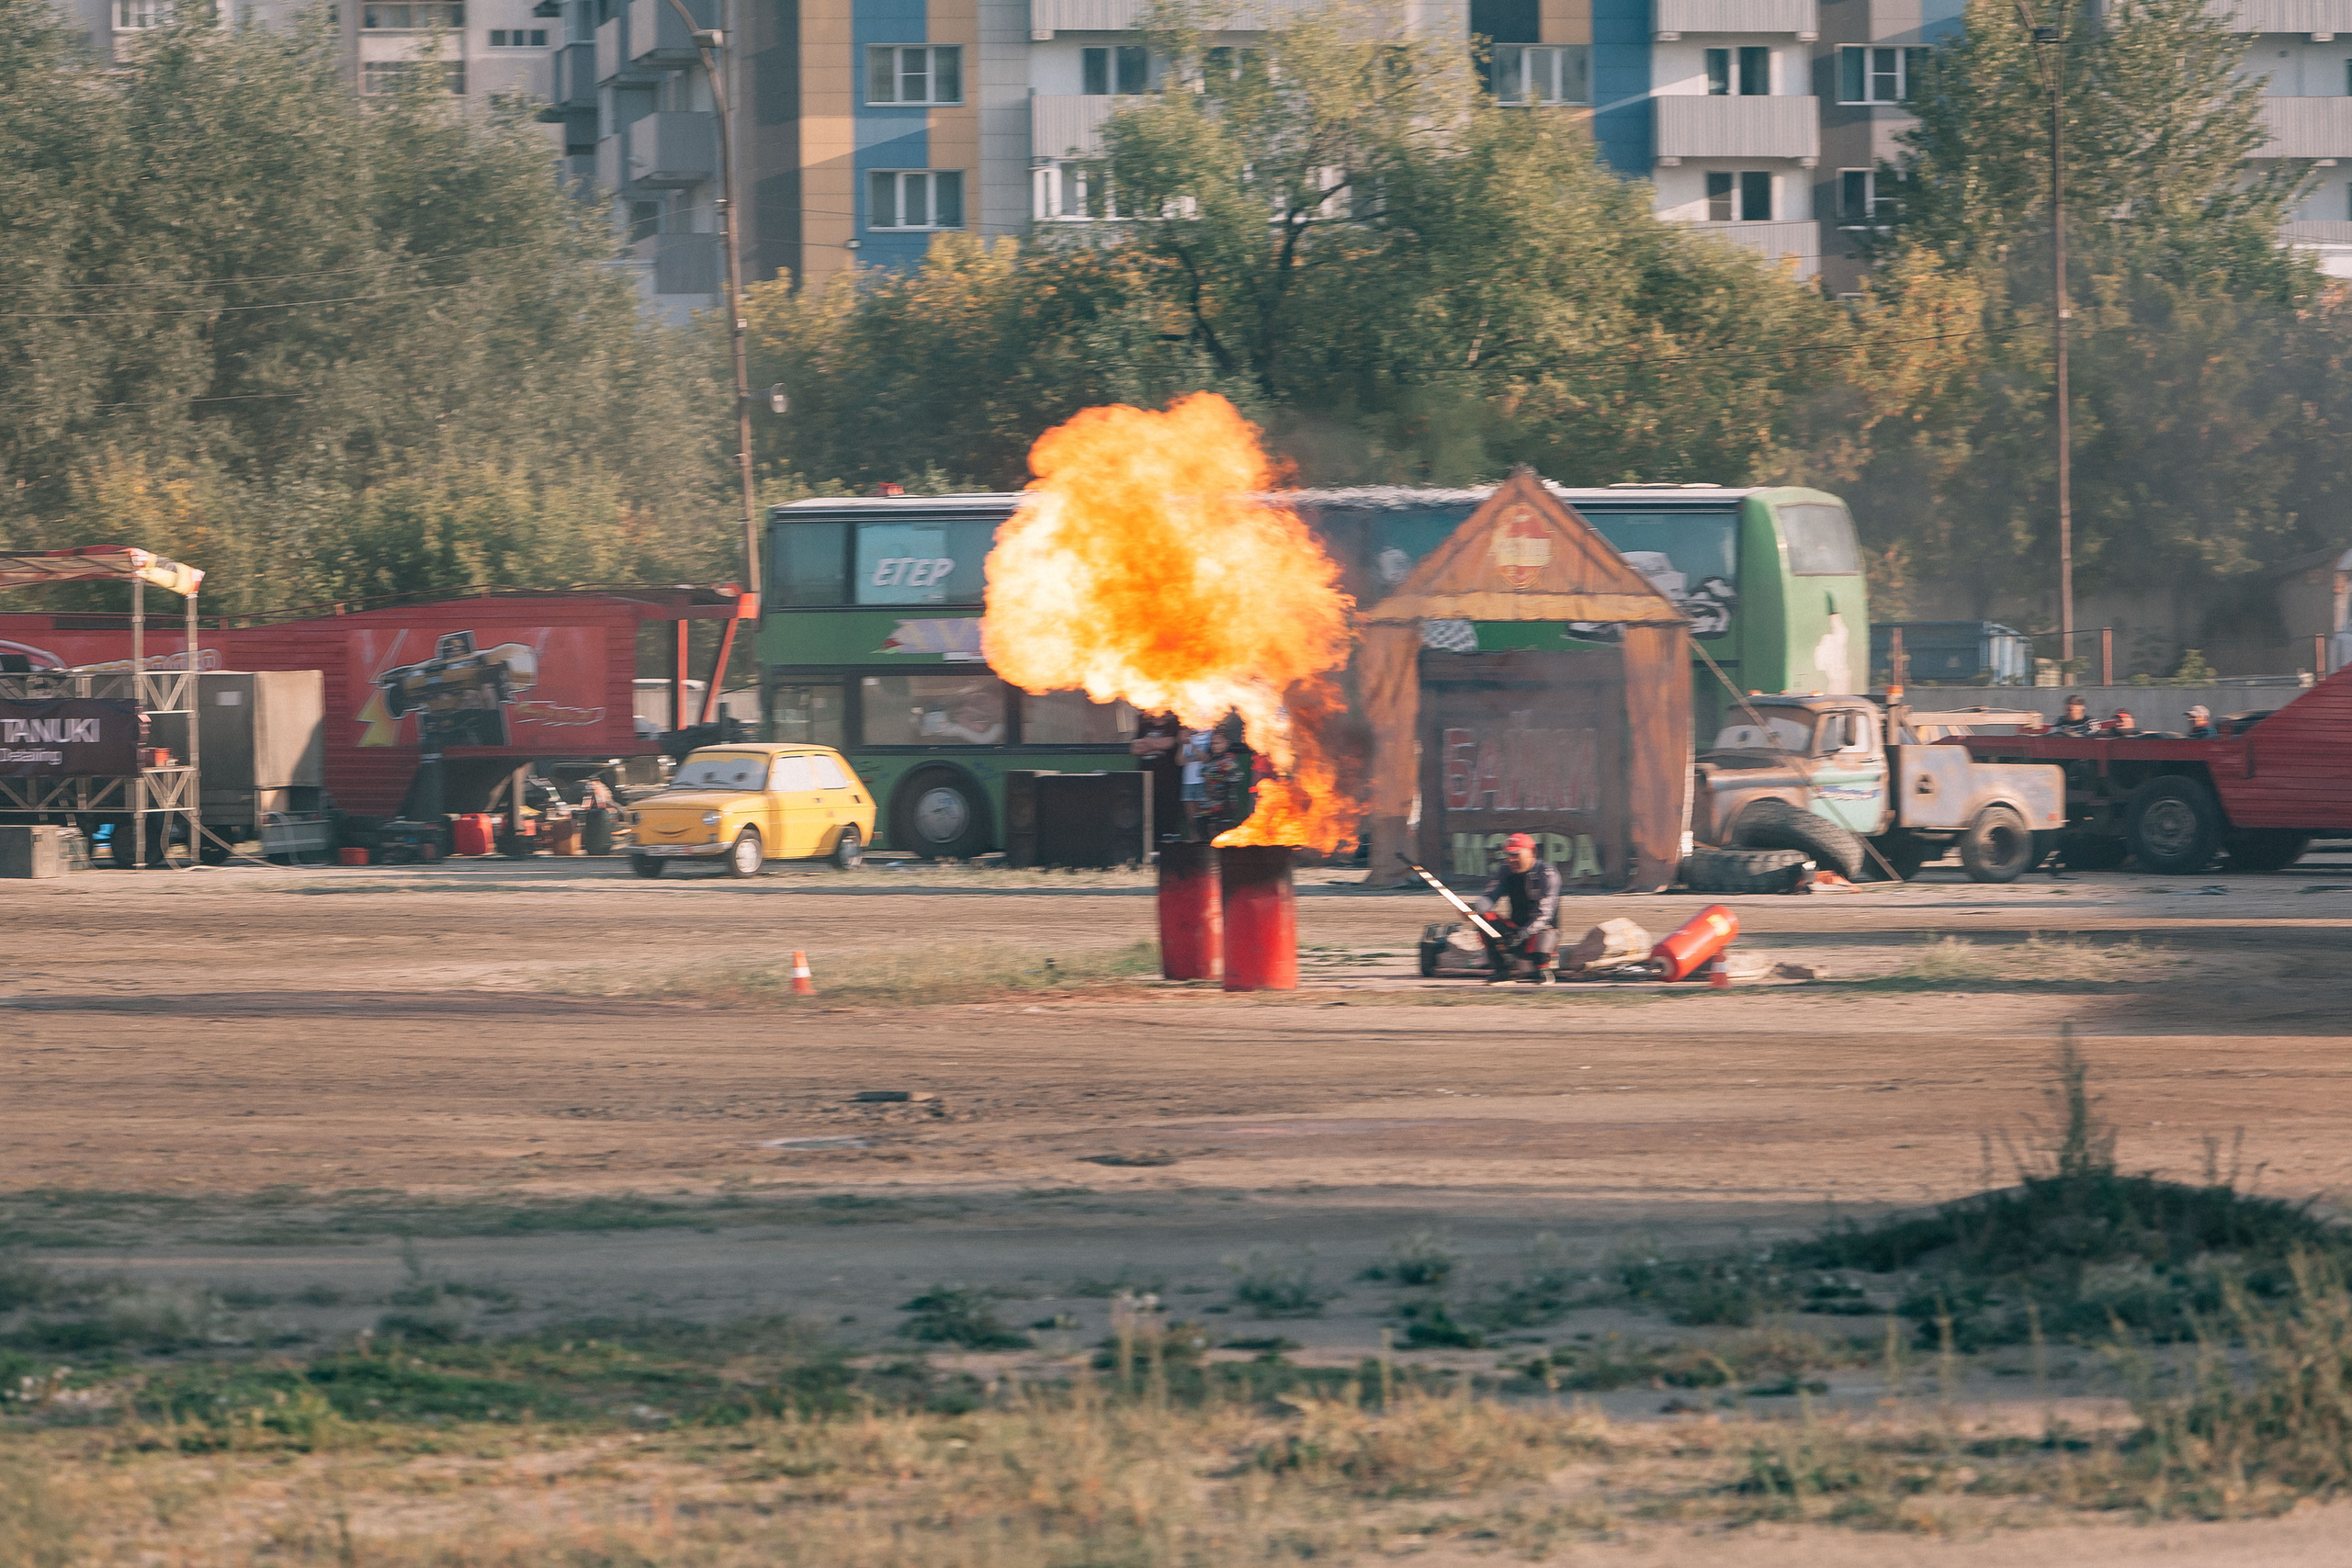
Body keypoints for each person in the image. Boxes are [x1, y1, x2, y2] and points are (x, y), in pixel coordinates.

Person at [1470, 832, 1562, 985]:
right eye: (1509, 855)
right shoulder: (1505, 870)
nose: (1512, 859)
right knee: (1483, 919)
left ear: (1532, 852)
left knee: (1546, 933)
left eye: (1516, 854)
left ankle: (1544, 970)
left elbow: (1544, 915)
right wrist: (1474, 908)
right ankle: (1502, 971)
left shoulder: (1547, 874)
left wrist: (1522, 935)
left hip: (1538, 930)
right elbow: (1491, 896)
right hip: (1514, 929)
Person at [1131, 712, 1185, 842]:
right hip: (1146, 781)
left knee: (1168, 817)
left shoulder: (1174, 725)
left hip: (1168, 780)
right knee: (1148, 817)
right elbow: (1135, 749)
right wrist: (1157, 743)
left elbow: (1169, 743)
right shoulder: (1144, 726)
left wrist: (1147, 743)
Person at [1198, 728, 1251, 839]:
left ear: (1226, 744)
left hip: (1225, 803)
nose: (1214, 746)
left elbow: (1238, 776)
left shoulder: (1229, 760)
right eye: (1212, 743)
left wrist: (1222, 776)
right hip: (1209, 802)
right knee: (1203, 825)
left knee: (1223, 829)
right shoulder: (1210, 760)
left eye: (1218, 743)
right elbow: (1203, 774)